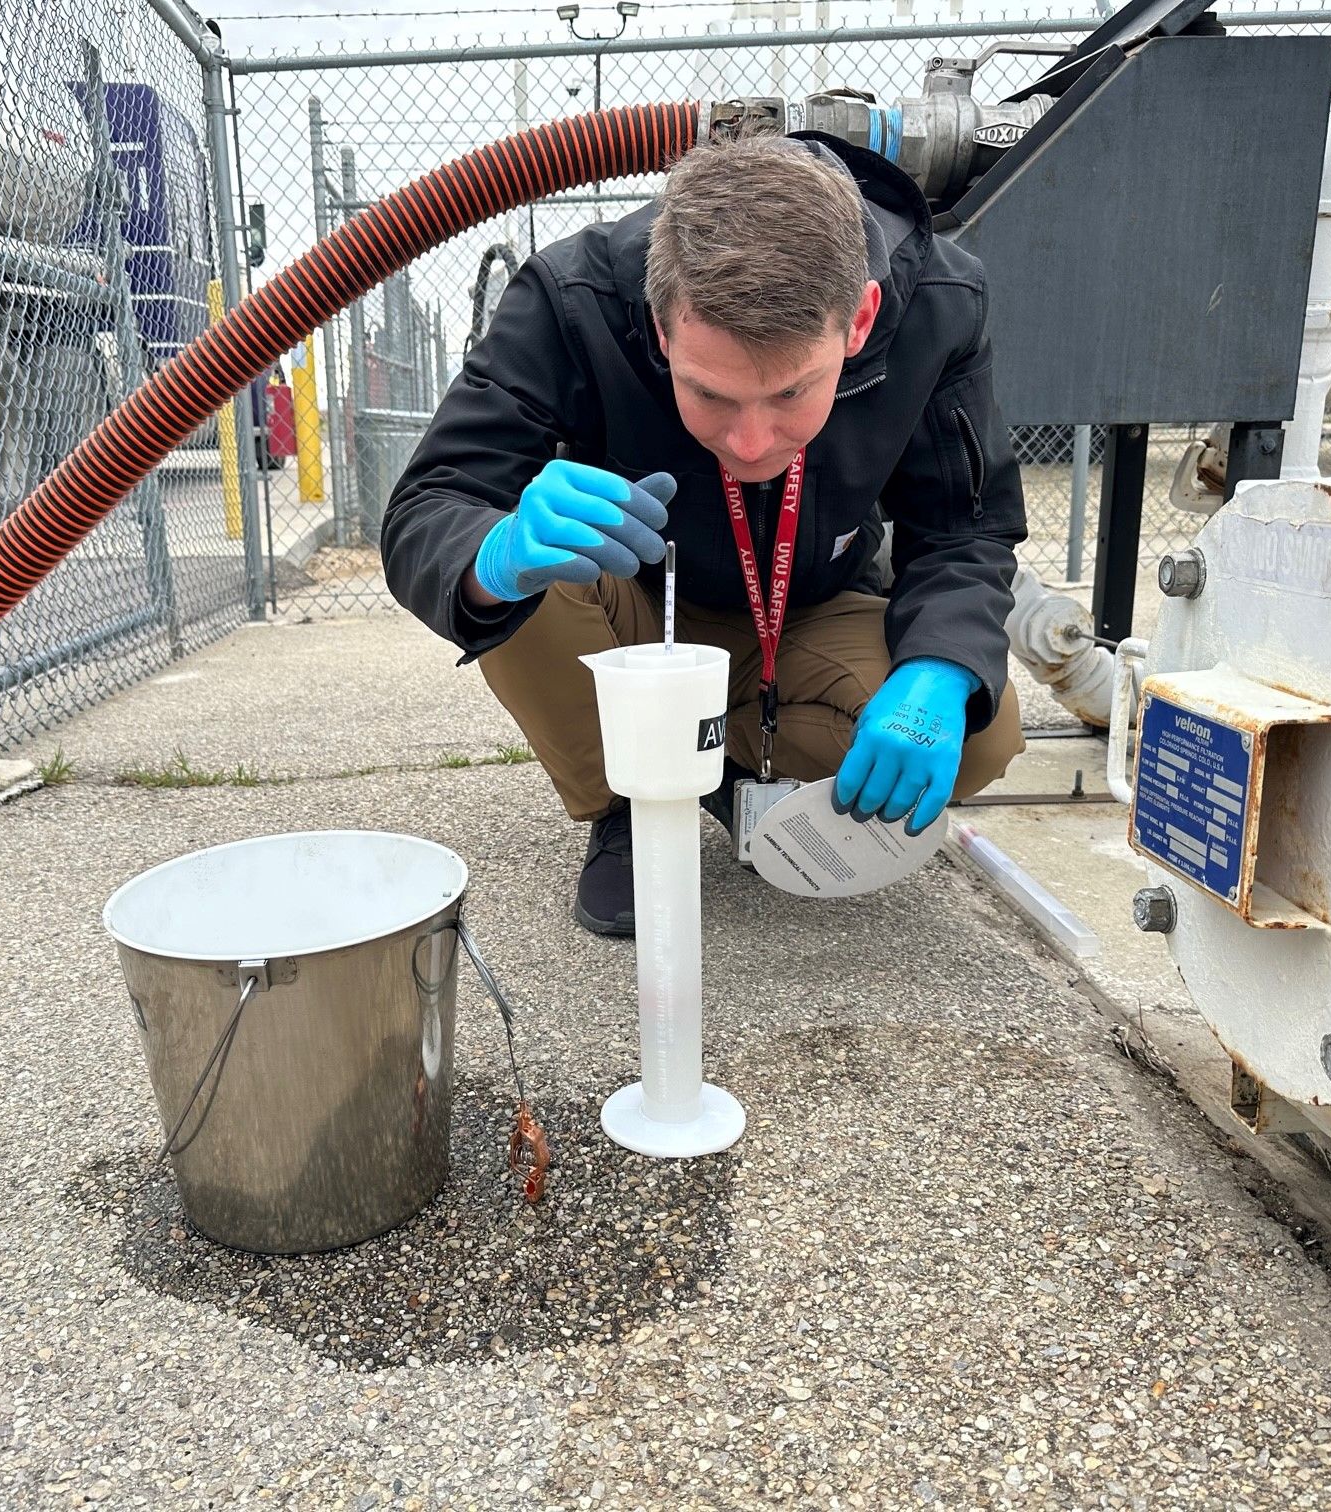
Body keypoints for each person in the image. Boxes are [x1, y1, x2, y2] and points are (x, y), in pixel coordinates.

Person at [380, 129, 1027, 937]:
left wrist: (936, 668)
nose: (751, 444)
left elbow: (967, 528)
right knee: (523, 582)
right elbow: (428, 506)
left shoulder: (939, 303)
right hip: (636, 620)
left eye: (792, 392)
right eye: (711, 394)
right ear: (660, 323)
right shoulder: (572, 297)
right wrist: (490, 554)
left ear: (858, 322)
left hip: (812, 609)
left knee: (981, 728)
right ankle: (627, 802)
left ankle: (718, 772)